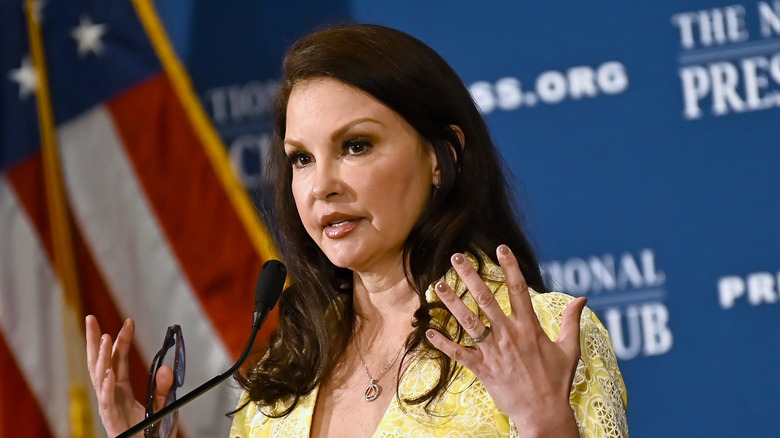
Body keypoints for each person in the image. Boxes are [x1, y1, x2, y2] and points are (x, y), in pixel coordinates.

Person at [86, 23, 628, 438]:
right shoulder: (282, 380)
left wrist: (546, 425)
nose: (321, 186)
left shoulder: (543, 336)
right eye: (300, 158)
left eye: (355, 146)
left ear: (441, 156)